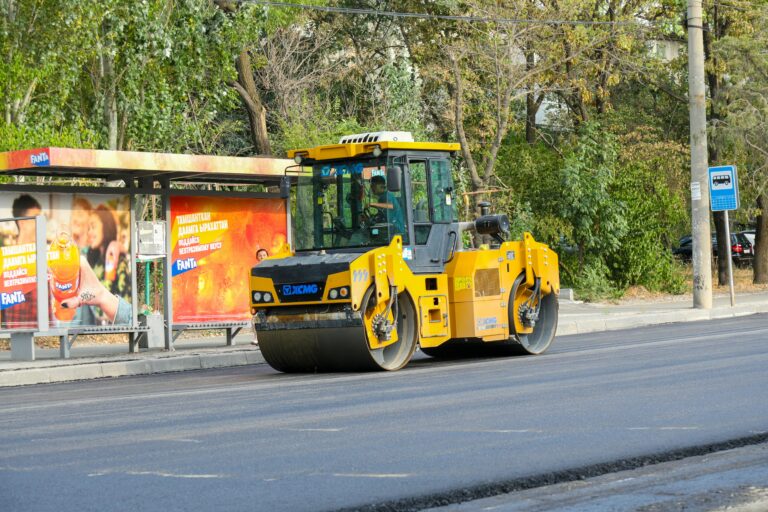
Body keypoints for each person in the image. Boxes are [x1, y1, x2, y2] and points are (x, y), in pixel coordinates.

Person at [1, 195, 43, 329]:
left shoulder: (43, 258)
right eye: (36, 218)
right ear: (23, 222)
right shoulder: (7, 260)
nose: (41, 224)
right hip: (14, 338)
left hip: (44, 339)